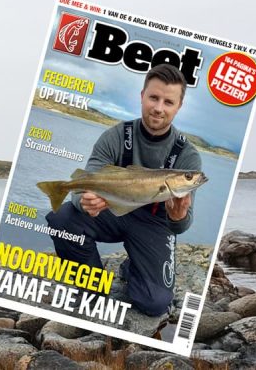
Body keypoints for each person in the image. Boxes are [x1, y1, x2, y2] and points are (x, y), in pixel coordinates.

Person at [45, 64, 201, 316]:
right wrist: (83, 201)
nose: (159, 108)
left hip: (153, 223)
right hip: (112, 211)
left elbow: (181, 227)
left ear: (178, 107)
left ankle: (132, 267)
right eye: (153, 97)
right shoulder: (115, 136)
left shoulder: (188, 156)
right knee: (60, 218)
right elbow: (85, 182)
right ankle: (93, 286)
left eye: (168, 102)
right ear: (142, 96)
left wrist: (178, 216)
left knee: (155, 303)